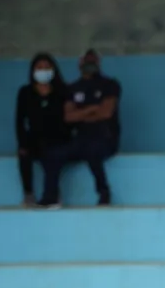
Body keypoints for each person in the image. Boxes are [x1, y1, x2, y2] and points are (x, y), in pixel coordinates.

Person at [41, 49, 121, 208]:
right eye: (86, 60)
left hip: (105, 139)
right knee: (52, 154)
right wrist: (92, 109)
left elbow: (106, 112)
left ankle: (104, 193)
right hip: (79, 140)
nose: (90, 63)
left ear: (98, 62)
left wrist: (81, 114)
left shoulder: (110, 85)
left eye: (93, 60)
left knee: (93, 151)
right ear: (80, 63)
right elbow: (69, 117)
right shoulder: (72, 88)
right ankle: (51, 197)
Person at [15, 52, 70, 207]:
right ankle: (28, 194)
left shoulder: (62, 92)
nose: (43, 71)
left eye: (47, 67)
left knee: (51, 154)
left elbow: (68, 119)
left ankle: (52, 193)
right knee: (24, 155)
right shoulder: (25, 92)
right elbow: (19, 121)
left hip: (57, 138)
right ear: (33, 71)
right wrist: (22, 143)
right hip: (34, 138)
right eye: (39, 67)